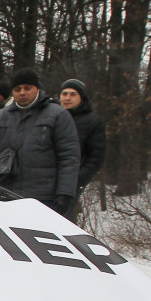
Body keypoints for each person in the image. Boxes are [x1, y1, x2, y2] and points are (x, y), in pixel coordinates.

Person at [0, 67, 80, 216]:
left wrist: (65, 193)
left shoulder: (58, 115)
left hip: (45, 198)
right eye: (17, 89)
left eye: (27, 88)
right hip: (6, 196)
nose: (22, 92)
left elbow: (69, 157)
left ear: (37, 89)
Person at [59, 79, 106, 215]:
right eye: (64, 93)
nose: (67, 98)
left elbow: (96, 158)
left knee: (62, 221)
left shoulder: (92, 121)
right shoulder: (52, 117)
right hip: (45, 181)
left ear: (82, 97)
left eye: (73, 94)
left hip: (71, 183)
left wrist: (77, 180)